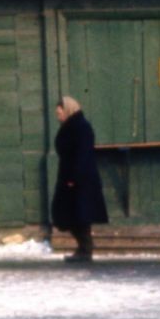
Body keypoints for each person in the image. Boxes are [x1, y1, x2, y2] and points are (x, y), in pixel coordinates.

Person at [50, 96, 107, 263]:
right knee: (69, 214)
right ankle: (84, 248)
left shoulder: (81, 127)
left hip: (79, 180)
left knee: (79, 215)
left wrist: (74, 178)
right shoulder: (71, 126)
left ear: (67, 110)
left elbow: (82, 155)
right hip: (70, 177)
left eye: (59, 113)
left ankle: (85, 249)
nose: (58, 116)